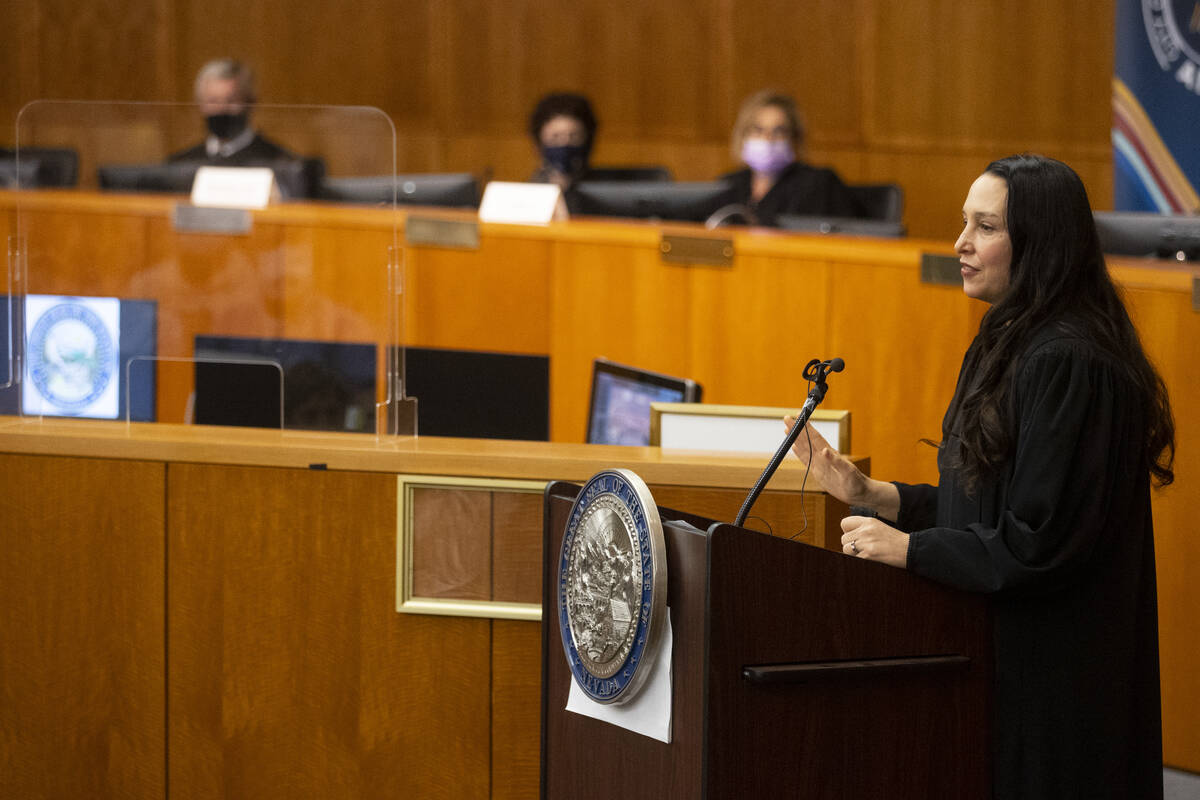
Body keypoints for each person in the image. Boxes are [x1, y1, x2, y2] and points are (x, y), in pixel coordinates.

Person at [786, 154, 1173, 799]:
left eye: (986, 227)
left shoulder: (1070, 360)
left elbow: (1040, 539)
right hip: (1003, 666)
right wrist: (876, 497)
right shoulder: (1011, 334)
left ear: (1040, 245)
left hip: (1055, 685)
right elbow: (989, 505)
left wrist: (911, 551)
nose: (960, 243)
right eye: (965, 222)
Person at [722, 90, 861, 226]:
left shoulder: (819, 184)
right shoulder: (729, 185)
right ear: (743, 136)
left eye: (779, 131)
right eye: (758, 130)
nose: (767, 139)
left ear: (794, 138)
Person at [168, 58, 296, 166]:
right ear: (200, 104)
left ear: (250, 102)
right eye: (213, 101)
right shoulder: (182, 163)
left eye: (231, 101)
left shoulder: (281, 162)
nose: (222, 108)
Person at [527, 92, 598, 192]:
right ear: (539, 143)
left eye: (574, 137)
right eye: (555, 137)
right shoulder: (528, 193)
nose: (564, 144)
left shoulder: (605, 191)